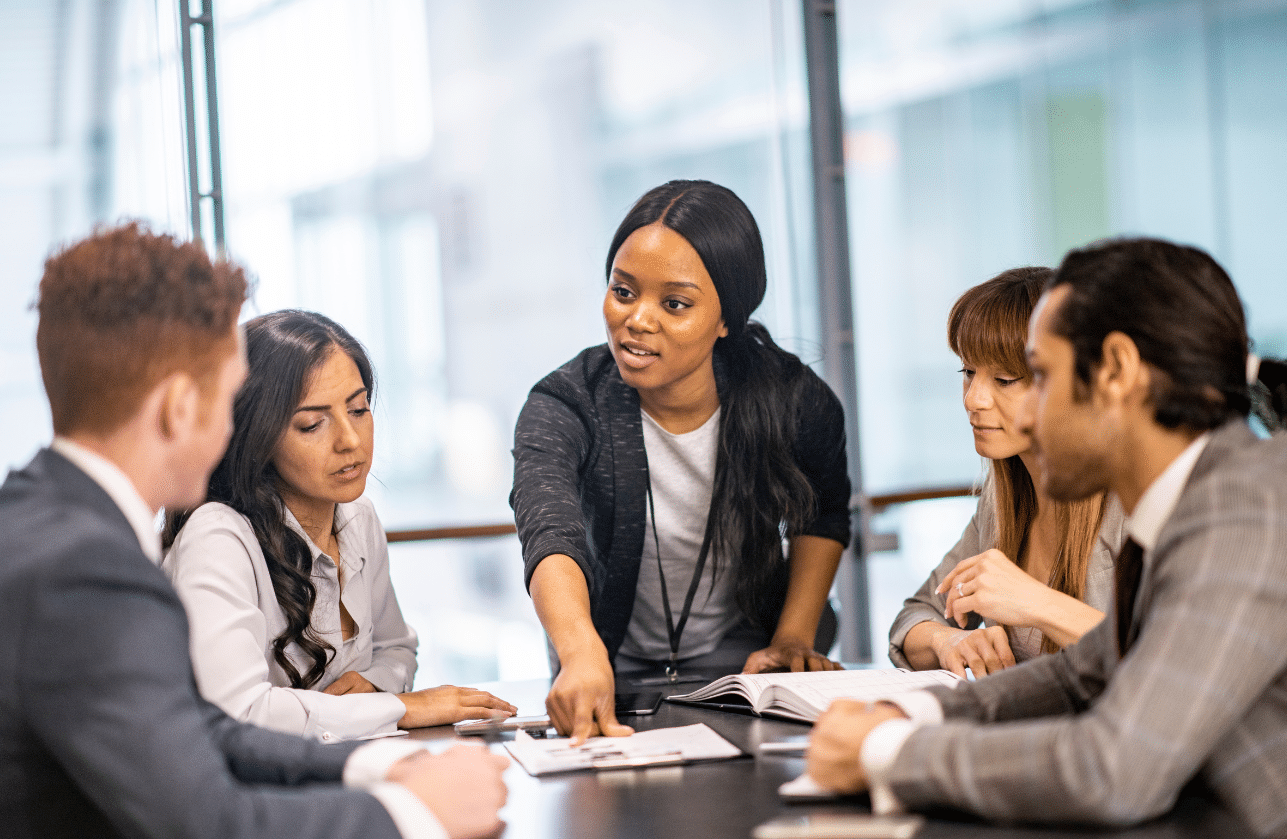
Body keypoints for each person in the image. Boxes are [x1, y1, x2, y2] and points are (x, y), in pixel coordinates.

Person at [0, 223, 508, 839]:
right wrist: (415, 812)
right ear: (182, 407)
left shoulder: (45, 519)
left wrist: (372, 769)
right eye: (229, 397)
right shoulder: (85, 570)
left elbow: (203, 727)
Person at [806, 237, 1287, 839]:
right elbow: (1079, 676)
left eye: (1039, 376)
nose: (1027, 416)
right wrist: (911, 714)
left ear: (1114, 371)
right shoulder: (1191, 502)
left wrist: (886, 753)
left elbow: (1113, 769)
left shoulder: (1245, 511)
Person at [511, 180, 851, 741]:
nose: (638, 320)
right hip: (608, 662)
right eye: (624, 292)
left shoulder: (794, 399)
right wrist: (579, 650)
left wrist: (793, 638)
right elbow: (550, 529)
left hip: (747, 664)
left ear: (726, 318)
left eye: (675, 304)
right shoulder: (567, 402)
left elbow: (825, 513)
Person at [163, 310, 515, 740]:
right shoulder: (218, 536)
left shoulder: (357, 516)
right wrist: (398, 707)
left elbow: (395, 649)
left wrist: (374, 686)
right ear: (258, 435)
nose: (350, 440)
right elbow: (239, 710)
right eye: (312, 423)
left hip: (340, 771)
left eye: (359, 409)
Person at [889, 267, 1125, 678]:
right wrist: (949, 640)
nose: (973, 399)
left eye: (1004, 378)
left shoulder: (1129, 501)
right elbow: (916, 616)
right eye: (968, 372)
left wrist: (1034, 602)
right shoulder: (1001, 500)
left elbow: (1171, 662)